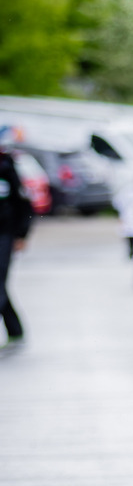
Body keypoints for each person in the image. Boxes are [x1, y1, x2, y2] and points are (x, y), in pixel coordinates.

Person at [0, 133, 32, 345]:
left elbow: (24, 204)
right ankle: (14, 328)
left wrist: (22, 234)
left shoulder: (7, 167)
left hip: (5, 234)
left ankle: (15, 330)